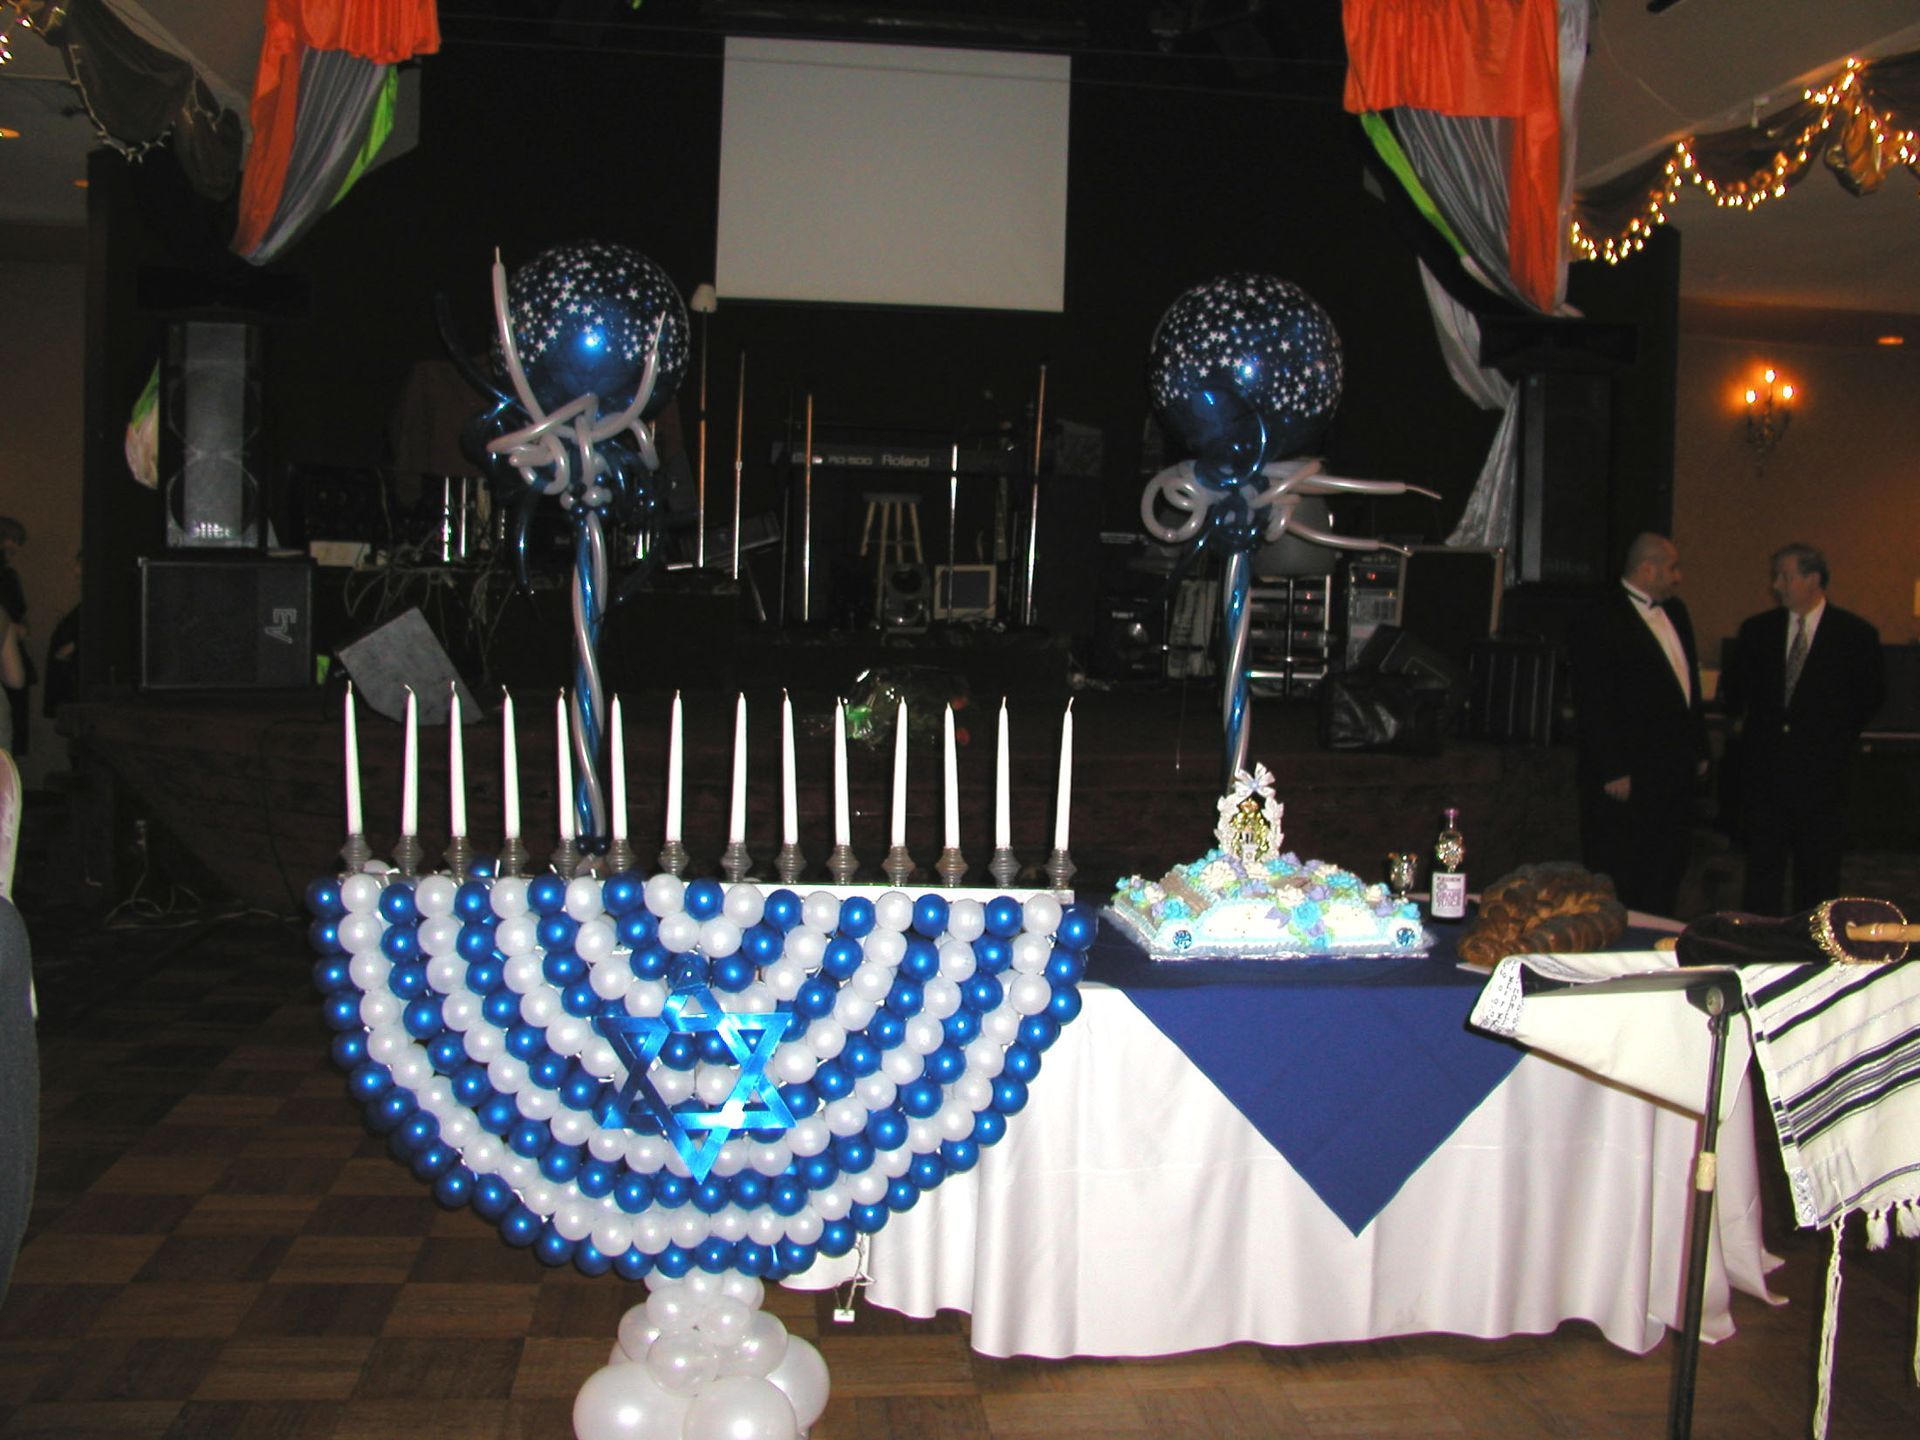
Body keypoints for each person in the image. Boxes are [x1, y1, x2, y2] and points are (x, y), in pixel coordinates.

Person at [1721, 542, 1885, 915]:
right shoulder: (1757, 631)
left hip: (1823, 779)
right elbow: (1736, 693)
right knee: (1762, 876)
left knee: (1818, 876)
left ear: (1813, 580)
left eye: (1785, 576)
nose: (1777, 584)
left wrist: (1831, 739)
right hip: (1766, 779)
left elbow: (1870, 697)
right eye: (1775, 576)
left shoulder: (1855, 635)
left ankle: (1812, 954)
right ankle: (1759, 950)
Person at [1568, 532, 1708, 917]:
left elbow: (1688, 688)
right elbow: (1593, 698)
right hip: (1627, 772)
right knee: (1624, 869)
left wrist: (1699, 748)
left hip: (1671, 769)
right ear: (1649, 568)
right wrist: (1611, 766)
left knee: (1669, 865)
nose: (1678, 577)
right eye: (1673, 568)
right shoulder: (1598, 615)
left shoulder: (1676, 612)